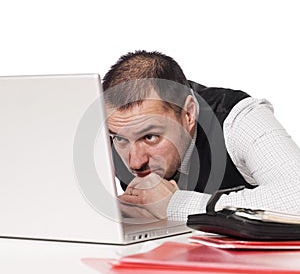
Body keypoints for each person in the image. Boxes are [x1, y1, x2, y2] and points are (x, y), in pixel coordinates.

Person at [102, 50, 300, 221]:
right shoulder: (116, 127)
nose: (135, 162)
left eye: (150, 137)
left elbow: (296, 196)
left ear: (188, 114)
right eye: (120, 139)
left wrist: (175, 206)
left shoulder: (238, 117)